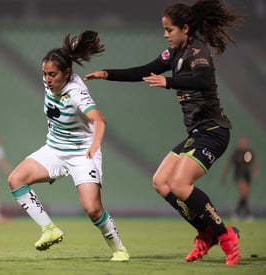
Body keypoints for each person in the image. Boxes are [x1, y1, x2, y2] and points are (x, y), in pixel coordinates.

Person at [84, 0, 242, 265]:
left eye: (169, 30)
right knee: (161, 181)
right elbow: (145, 71)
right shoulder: (173, 54)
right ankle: (205, 232)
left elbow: (203, 80)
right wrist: (107, 74)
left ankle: (225, 235)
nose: (165, 34)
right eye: (164, 29)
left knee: (180, 185)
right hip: (197, 132)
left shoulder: (197, 51)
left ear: (185, 29)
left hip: (214, 131)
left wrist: (168, 82)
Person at [7, 30, 129, 262]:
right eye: (44, 74)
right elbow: (65, 56)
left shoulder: (76, 93)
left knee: (92, 209)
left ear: (67, 73)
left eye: (52, 74)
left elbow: (100, 120)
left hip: (82, 153)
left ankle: (119, 249)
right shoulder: (51, 81)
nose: (47, 79)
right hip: (54, 149)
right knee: (16, 179)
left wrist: (94, 145)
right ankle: (49, 229)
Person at [221, 135, 260, 221]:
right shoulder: (236, 152)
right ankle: (247, 214)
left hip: (247, 174)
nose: (243, 144)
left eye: (245, 142)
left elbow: (254, 162)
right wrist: (225, 175)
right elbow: (229, 164)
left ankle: (237, 213)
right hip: (239, 174)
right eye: (242, 142)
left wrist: (256, 171)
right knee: (243, 193)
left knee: (245, 195)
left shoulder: (249, 152)